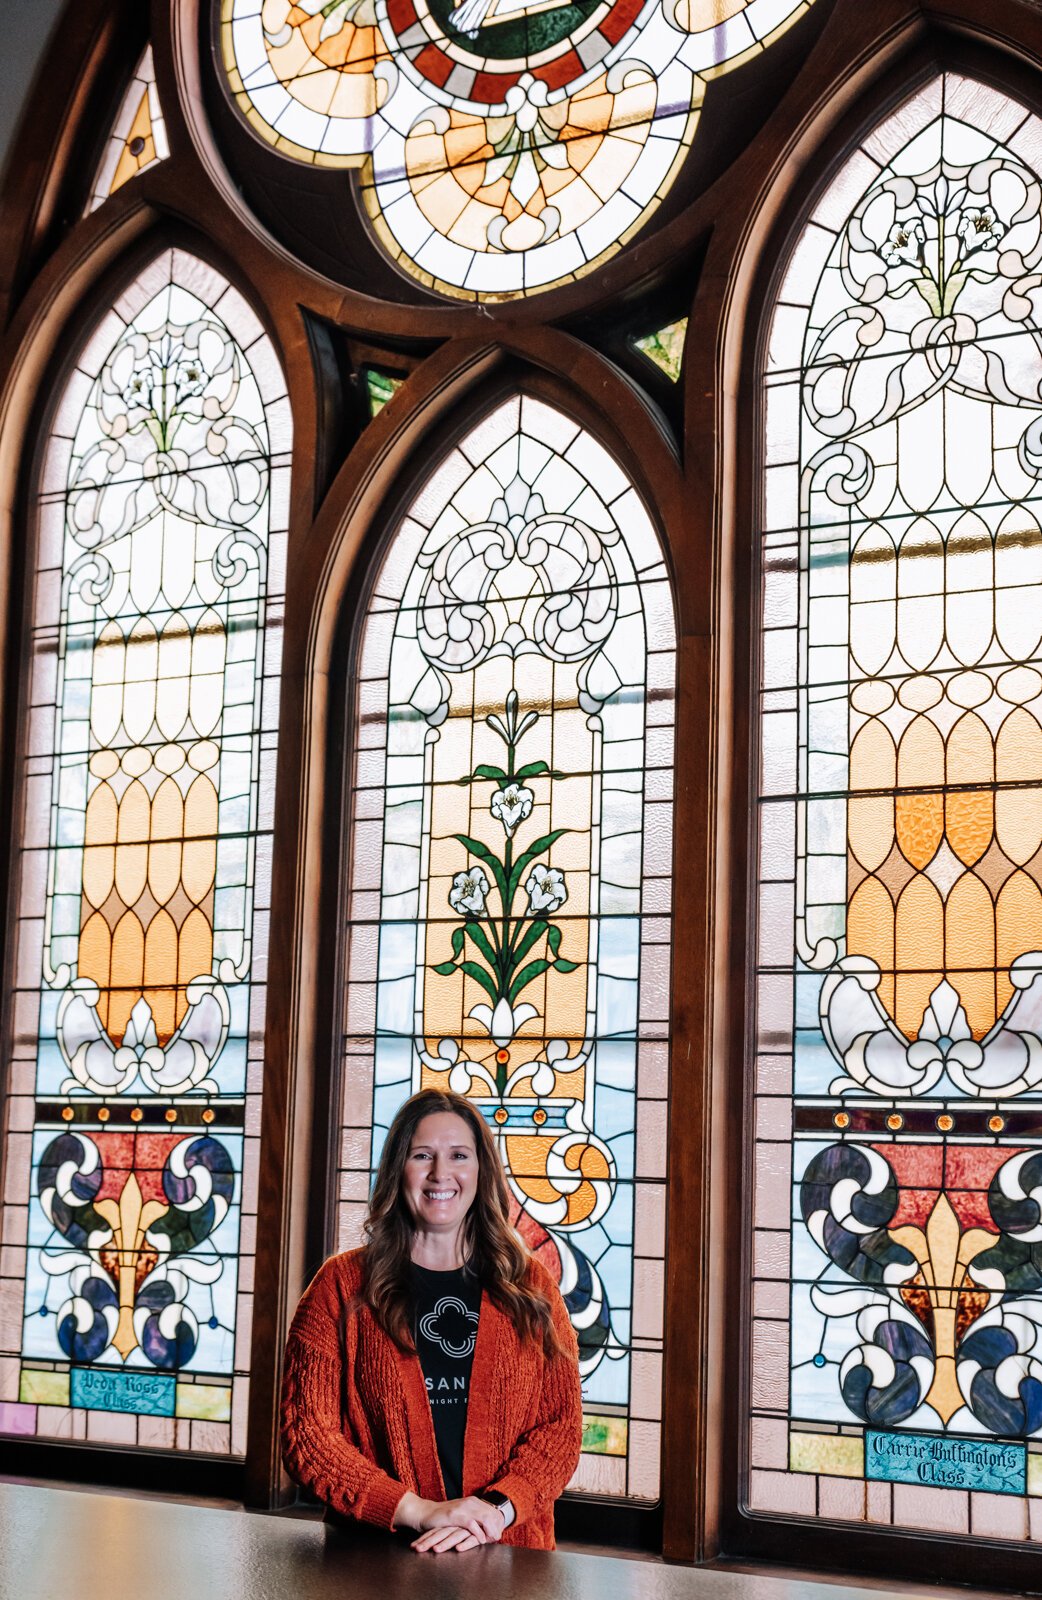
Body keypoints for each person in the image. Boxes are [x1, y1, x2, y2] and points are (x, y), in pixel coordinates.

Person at [280, 1086, 583, 1552]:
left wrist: (493, 1514)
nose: (441, 1173)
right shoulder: (339, 1288)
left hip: (507, 1555)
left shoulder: (532, 1288)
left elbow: (560, 1428)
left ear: (481, 1171)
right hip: (374, 1561)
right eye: (422, 1155)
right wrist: (420, 1511)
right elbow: (310, 1435)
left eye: (459, 1155)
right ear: (397, 1169)